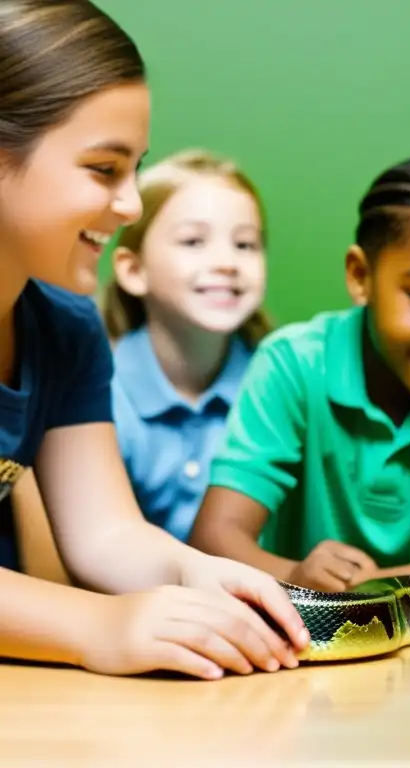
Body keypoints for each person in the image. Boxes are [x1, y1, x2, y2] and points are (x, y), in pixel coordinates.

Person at [0, 0, 307, 681]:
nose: (132, 205)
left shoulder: (65, 327)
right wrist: (96, 624)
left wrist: (203, 576)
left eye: (136, 168)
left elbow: (105, 534)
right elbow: (95, 612)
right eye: (104, 169)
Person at [188, 153, 410, 592]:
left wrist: (363, 590)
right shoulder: (293, 364)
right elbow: (213, 538)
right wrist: (294, 576)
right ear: (360, 276)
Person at [103, 148, 272, 543]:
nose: (227, 262)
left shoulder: (276, 386)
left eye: (245, 245)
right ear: (133, 270)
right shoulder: (99, 393)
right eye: (194, 241)